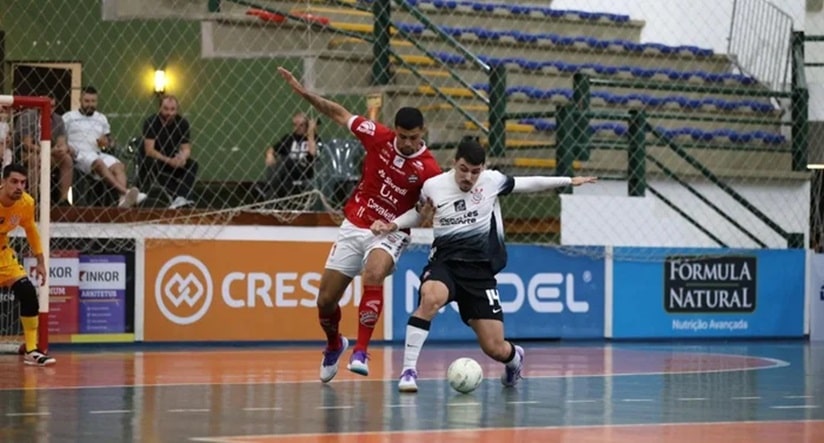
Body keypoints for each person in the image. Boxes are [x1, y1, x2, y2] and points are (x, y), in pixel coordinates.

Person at [370, 140, 597, 392]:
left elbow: (528, 183)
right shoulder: (433, 186)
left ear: (483, 168)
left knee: (494, 347)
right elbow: (419, 212)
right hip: (445, 263)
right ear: (454, 163)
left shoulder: (492, 181)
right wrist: (392, 224)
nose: (468, 177)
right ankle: (408, 372)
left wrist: (567, 180)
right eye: (464, 169)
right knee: (430, 298)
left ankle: (514, 360)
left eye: (475, 171)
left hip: (480, 273)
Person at [277, 66, 442, 382]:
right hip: (356, 223)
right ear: (395, 129)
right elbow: (339, 114)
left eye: (414, 138)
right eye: (403, 136)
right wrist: (304, 93)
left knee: (374, 272)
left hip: (391, 232)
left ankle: (362, 351)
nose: (407, 143)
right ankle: (335, 343)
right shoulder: (378, 136)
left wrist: (415, 218)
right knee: (325, 300)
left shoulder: (429, 170)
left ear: (423, 133)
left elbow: (426, 215)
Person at [0, 164, 55, 366]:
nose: (19, 187)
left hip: (3, 256)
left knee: (28, 292)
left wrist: (40, 262)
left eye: (23, 182)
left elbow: (31, 230)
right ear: (3, 181)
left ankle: (31, 350)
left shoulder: (26, 203)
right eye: (14, 181)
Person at [63, 86, 145, 207]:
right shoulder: (69, 117)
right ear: (80, 100)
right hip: (78, 155)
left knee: (119, 166)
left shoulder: (101, 118)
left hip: (97, 153)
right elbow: (60, 138)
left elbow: (110, 141)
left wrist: (106, 142)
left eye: (93, 101)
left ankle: (122, 199)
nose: (90, 104)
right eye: (87, 101)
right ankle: (125, 191)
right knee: (99, 163)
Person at [142, 95, 199, 209]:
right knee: (153, 164)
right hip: (157, 158)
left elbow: (186, 148)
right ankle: (178, 197)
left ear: (177, 110)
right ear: (159, 108)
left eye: (173, 109)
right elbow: (149, 150)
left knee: (193, 165)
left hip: (174, 157)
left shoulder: (182, 123)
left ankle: (181, 198)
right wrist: (168, 160)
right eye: (166, 109)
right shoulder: (151, 122)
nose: (169, 113)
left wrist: (183, 158)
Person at [260, 112, 319, 199]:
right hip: (287, 173)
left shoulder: (314, 138)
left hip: (305, 170)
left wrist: (310, 134)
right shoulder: (289, 138)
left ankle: (267, 188)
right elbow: (272, 149)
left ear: (307, 126)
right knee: (278, 165)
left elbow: (313, 154)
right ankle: (270, 191)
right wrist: (269, 155)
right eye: (295, 125)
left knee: (284, 161)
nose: (297, 128)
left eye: (301, 125)